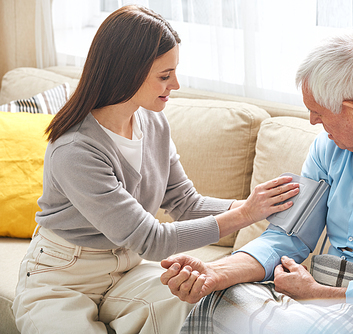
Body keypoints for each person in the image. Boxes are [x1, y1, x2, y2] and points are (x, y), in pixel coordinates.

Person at [160, 29, 353, 331]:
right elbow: (289, 237)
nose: (313, 121)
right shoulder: (329, 147)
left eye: (319, 112)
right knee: (221, 301)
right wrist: (217, 273)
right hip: (334, 297)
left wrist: (317, 293)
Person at [12, 5, 300, 334]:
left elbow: (185, 202)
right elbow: (151, 240)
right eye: (165, 75)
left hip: (127, 270)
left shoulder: (153, 123)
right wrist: (244, 214)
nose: (175, 84)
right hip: (61, 279)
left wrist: (260, 206)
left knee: (209, 304)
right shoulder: (75, 149)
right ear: (127, 73)